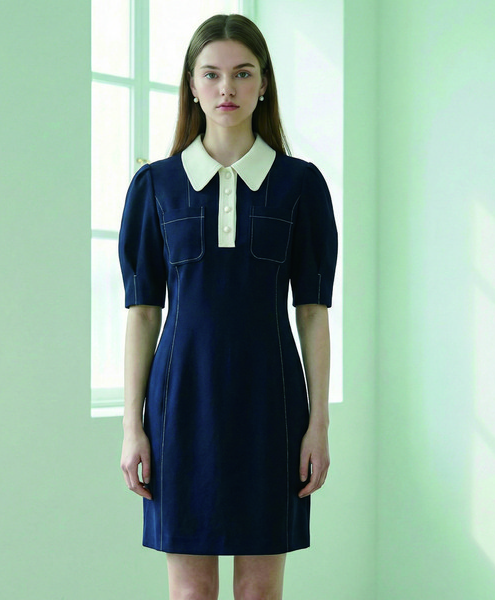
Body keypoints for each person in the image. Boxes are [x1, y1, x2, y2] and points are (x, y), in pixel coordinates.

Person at [118, 13, 337, 600]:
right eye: (211, 74)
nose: (227, 88)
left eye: (242, 73)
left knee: (259, 594)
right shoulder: (155, 186)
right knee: (191, 594)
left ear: (263, 83)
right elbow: (143, 313)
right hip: (180, 405)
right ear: (192, 84)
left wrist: (318, 423)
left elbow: (312, 312)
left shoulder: (301, 185)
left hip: (272, 404)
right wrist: (132, 427)